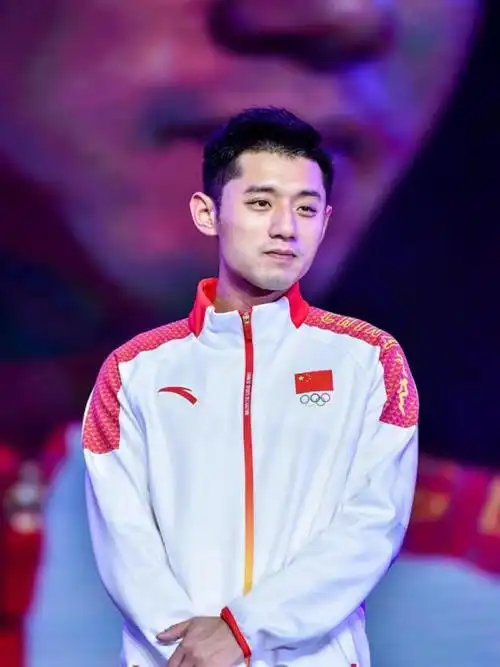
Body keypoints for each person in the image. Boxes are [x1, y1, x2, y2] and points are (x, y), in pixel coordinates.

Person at [83, 107, 419, 667]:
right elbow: (124, 535)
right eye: (261, 203)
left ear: (325, 221)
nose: (286, 227)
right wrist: (193, 645)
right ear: (207, 213)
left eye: (306, 208)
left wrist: (244, 631)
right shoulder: (135, 371)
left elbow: (372, 524)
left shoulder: (369, 360)